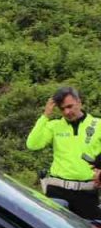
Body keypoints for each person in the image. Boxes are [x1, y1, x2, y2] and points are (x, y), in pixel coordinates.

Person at [27, 86, 101, 219]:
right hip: (57, 191)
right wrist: (45, 116)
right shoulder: (54, 125)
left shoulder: (98, 124)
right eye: (62, 109)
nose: (67, 112)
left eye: (70, 106)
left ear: (79, 102)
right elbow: (32, 144)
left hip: (87, 192)